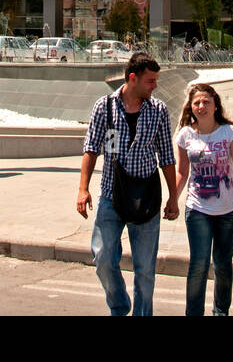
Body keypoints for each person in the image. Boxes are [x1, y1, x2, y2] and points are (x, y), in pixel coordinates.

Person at [77, 53, 180, 316]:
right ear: (132, 78)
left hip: (147, 198)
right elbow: (91, 149)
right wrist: (83, 188)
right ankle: (120, 306)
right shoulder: (105, 107)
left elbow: (166, 157)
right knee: (102, 258)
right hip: (112, 195)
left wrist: (172, 197)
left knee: (145, 270)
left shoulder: (157, 110)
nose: (155, 85)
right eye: (150, 80)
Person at [174, 83, 233, 316]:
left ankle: (220, 312)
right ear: (191, 107)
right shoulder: (185, 135)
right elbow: (182, 172)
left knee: (223, 264)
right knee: (198, 264)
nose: (201, 106)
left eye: (206, 101)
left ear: (215, 105)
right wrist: (172, 199)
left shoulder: (230, 133)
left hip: (229, 210)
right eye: (197, 102)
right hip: (197, 208)